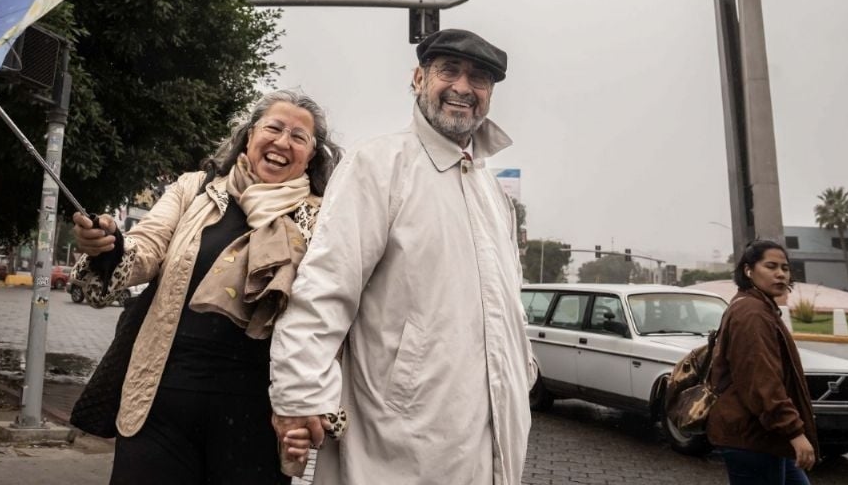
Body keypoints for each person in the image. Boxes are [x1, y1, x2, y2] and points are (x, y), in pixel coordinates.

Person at [270, 29, 535, 484]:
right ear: (418, 78)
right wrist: (298, 397)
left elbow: (506, 306)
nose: (464, 88)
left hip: (490, 438)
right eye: (449, 71)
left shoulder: (494, 194)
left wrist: (522, 370)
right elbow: (325, 291)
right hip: (396, 441)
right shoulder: (378, 165)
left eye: (480, 79)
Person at [71, 89, 343, 484]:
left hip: (258, 420)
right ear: (249, 136)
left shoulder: (324, 218)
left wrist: (314, 405)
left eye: (299, 137)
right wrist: (111, 247)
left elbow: (330, 312)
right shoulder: (195, 189)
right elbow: (147, 246)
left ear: (312, 156)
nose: (283, 142)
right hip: (161, 404)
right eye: (274, 128)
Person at [707, 240, 818, 484]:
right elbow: (762, 381)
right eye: (771, 266)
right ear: (749, 271)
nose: (780, 273)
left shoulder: (758, 307)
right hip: (753, 439)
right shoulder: (752, 314)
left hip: (766, 435)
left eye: (785, 268)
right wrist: (794, 432)